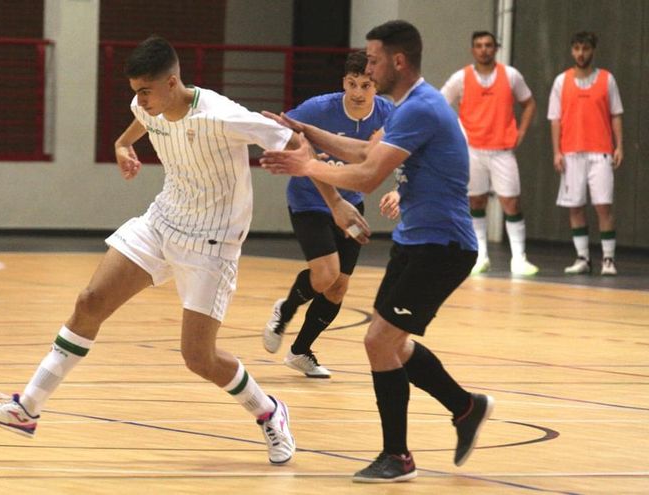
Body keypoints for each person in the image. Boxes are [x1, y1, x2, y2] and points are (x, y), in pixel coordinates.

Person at [0, 36, 366, 465]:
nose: (138, 100)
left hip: (212, 242)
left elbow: (296, 145)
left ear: (172, 82)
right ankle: (27, 408)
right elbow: (137, 124)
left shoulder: (222, 115)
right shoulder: (147, 106)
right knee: (89, 301)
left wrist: (337, 202)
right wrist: (123, 146)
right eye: (135, 91)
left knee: (199, 358)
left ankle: (269, 411)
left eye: (145, 90)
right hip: (162, 223)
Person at [261, 20, 494, 482]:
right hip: (415, 241)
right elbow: (359, 153)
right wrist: (304, 128)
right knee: (395, 344)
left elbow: (367, 176)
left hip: (443, 245)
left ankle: (398, 456)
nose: (367, 66)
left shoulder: (422, 108)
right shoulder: (408, 108)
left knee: (378, 341)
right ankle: (466, 408)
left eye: (373, 59)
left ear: (398, 61)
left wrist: (309, 165)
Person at [262, 49, 392, 379]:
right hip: (310, 200)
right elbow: (284, 130)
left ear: (377, 86)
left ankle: (300, 351)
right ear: (343, 83)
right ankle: (286, 309)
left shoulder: (390, 114)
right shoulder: (318, 109)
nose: (359, 93)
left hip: (352, 201)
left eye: (366, 85)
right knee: (325, 274)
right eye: (352, 84)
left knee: (338, 288)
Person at [441, 31, 538, 276]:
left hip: (502, 150)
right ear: (472, 49)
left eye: (488, 45)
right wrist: (457, 133)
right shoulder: (461, 78)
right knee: (476, 201)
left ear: (496, 48)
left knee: (511, 202)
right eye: (479, 45)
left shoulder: (511, 75)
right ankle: (480, 255)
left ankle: (519, 258)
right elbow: (440, 104)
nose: (484, 49)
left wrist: (521, 131)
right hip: (472, 150)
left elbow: (529, 103)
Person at [549, 31, 624, 276]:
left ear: (593, 51)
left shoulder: (607, 79)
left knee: (603, 206)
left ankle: (608, 260)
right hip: (571, 152)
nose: (581, 53)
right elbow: (555, 119)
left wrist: (619, 146)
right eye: (577, 48)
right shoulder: (562, 81)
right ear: (572, 51)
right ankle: (583, 258)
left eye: (586, 49)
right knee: (576, 207)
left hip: (600, 151)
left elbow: (615, 114)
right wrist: (557, 151)